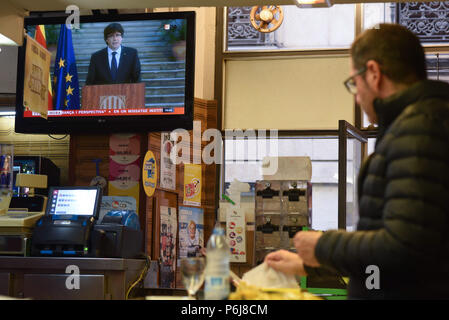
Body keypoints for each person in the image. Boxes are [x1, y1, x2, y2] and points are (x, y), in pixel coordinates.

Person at [265, 23, 449, 299]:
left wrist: (323, 246)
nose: (357, 94)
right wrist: (310, 266)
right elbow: (392, 264)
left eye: (354, 82)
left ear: (374, 74)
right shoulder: (415, 123)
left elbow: (404, 247)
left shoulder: (419, 128)